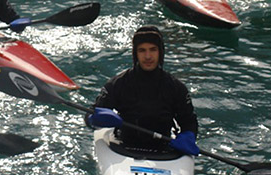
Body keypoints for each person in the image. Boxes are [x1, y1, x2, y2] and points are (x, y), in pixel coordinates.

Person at [85, 25, 200, 157]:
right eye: (142, 50)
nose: (148, 56)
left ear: (160, 52)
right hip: (124, 147)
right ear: (135, 53)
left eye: (153, 50)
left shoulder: (176, 87)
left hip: (163, 149)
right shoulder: (118, 83)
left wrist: (188, 135)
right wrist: (94, 119)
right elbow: (90, 114)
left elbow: (189, 121)